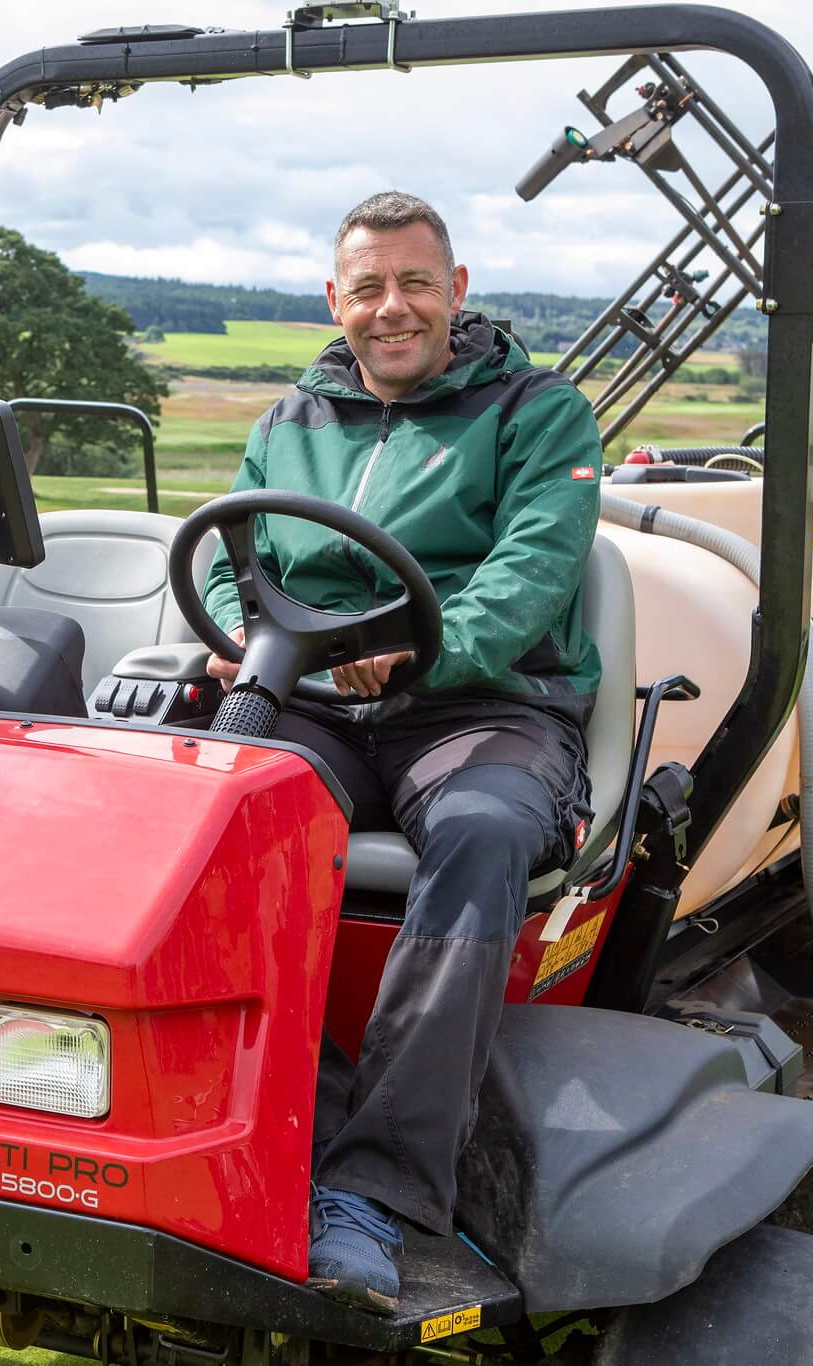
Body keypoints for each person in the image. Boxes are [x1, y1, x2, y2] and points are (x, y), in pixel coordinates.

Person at [203, 191, 601, 1311]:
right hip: (318, 703)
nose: (393, 308)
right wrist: (241, 640)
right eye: (369, 287)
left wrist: (423, 651)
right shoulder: (290, 420)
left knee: (482, 832)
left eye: (415, 283)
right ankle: (277, 1121)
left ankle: (373, 1188)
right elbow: (235, 555)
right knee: (194, 814)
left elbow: (533, 571)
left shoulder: (537, 413)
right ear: (335, 299)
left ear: (456, 290)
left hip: (478, 704)